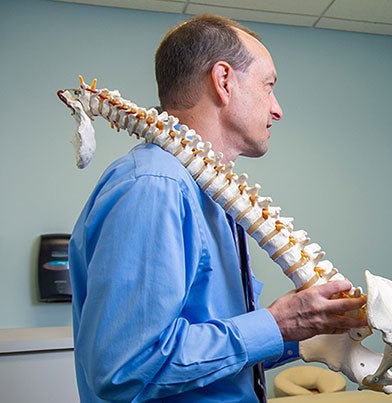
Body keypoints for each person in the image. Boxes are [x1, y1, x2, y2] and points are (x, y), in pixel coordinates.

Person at [68, 14, 367, 402]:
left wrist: (303, 336)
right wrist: (277, 323)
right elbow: (124, 368)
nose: (277, 110)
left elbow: (203, 354)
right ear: (224, 81)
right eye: (268, 86)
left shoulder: (212, 198)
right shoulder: (155, 187)